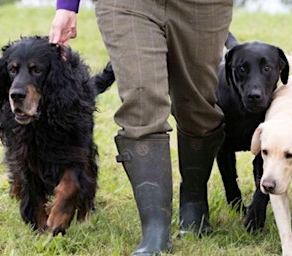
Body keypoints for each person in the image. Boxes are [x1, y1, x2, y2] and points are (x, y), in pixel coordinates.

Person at [49, 1, 233, 255]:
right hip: (126, 4)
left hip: (202, 6)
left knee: (198, 108)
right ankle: (155, 232)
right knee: (141, 102)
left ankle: (193, 199)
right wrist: (67, 5)